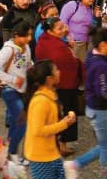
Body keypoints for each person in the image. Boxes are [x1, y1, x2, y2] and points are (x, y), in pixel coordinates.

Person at [67, 28, 107, 179]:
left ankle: (75, 165)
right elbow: (104, 93)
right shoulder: (101, 65)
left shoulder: (96, 57)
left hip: (98, 109)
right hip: (99, 110)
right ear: (103, 44)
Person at [24, 59, 78, 179]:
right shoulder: (40, 101)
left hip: (51, 152)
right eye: (56, 70)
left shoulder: (49, 94)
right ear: (49, 79)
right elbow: (38, 130)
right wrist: (64, 123)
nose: (59, 72)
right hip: (40, 156)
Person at [33, 17, 83, 148]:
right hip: (63, 84)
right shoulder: (57, 46)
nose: (63, 30)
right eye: (59, 28)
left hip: (51, 84)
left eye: (63, 26)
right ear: (50, 31)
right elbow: (70, 63)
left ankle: (59, 143)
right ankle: (62, 145)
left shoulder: (44, 41)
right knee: (66, 112)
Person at [0, 19, 33, 164]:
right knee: (22, 122)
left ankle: (8, 151)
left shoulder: (26, 47)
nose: (28, 39)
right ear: (16, 35)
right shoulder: (8, 49)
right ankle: (12, 153)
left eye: (30, 35)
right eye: (25, 36)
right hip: (9, 90)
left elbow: (27, 63)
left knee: (16, 122)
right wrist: (12, 79)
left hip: (22, 90)